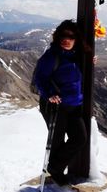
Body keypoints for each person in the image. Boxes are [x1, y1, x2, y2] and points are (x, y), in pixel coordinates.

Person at [34, 19, 89, 186]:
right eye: (63, 36)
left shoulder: (77, 56)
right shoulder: (51, 56)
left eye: (71, 36)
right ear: (58, 37)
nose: (67, 39)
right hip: (55, 105)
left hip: (74, 105)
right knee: (56, 141)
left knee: (80, 137)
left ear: (76, 39)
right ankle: (57, 172)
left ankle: (54, 167)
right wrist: (49, 94)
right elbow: (39, 79)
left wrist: (91, 61)